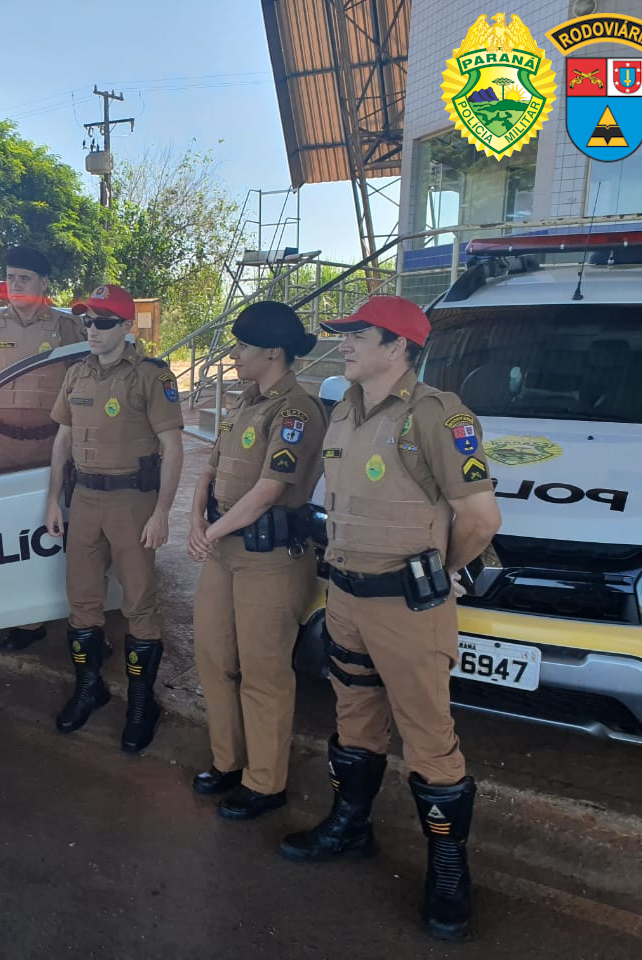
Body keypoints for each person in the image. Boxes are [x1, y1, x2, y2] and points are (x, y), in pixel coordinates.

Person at [278, 296, 501, 942]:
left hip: (407, 608)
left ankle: (449, 871)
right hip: (346, 599)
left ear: (398, 346)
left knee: (428, 737)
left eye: (358, 334)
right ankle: (351, 828)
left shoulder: (437, 415)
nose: (343, 343)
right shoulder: (345, 410)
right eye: (344, 333)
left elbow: (481, 519)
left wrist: (440, 569)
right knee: (354, 717)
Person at [187, 302, 326, 820]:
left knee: (264, 672)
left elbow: (269, 490)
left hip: (269, 559)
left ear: (273, 352)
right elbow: (210, 470)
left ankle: (265, 783)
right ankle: (228, 762)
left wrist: (211, 531)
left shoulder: (296, 412)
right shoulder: (244, 403)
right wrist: (195, 521)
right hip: (223, 550)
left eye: (243, 346)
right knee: (213, 657)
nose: (234, 354)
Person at [44, 284, 185, 752]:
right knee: (81, 601)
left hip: (132, 502)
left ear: (126, 326)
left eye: (103, 322)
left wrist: (162, 512)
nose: (92, 330)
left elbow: (173, 447)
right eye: (87, 321)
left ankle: (142, 703)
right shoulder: (76, 374)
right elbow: (62, 440)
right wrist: (52, 500)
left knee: (139, 603)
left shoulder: (150, 376)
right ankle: (90, 688)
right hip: (84, 498)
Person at [0, 245, 85, 651]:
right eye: (10, 277)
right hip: (3, 449)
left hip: (54, 449)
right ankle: (26, 621)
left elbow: (89, 393)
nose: (15, 284)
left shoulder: (67, 328)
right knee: (11, 539)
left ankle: (83, 617)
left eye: (24, 278)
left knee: (65, 534)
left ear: (44, 283)